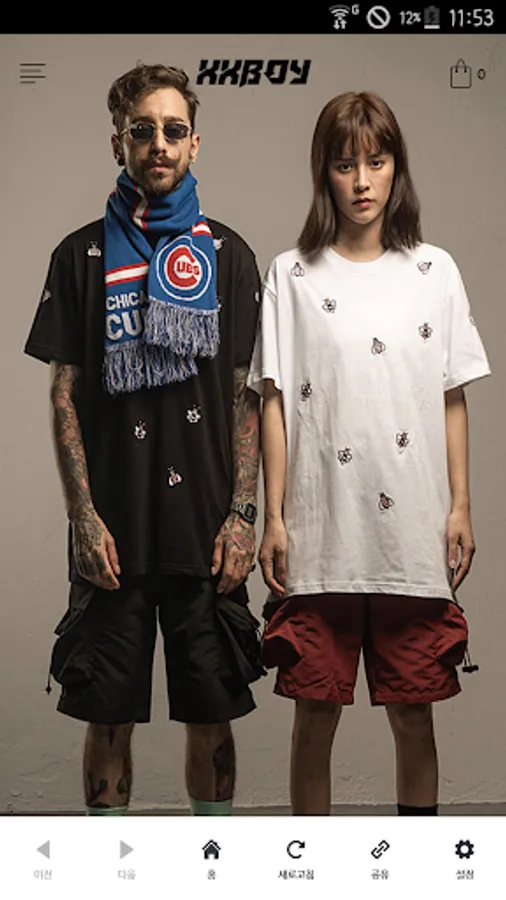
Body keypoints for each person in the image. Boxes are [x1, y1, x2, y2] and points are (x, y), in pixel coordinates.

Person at [24, 63, 263, 816]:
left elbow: (244, 397)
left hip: (205, 531)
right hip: (114, 533)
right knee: (107, 718)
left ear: (195, 144)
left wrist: (243, 515)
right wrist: (82, 518)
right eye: (142, 130)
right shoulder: (79, 256)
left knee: (212, 719)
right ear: (118, 143)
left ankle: (211, 864)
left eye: (173, 130)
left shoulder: (229, 258)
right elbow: (63, 394)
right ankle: (108, 868)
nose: (158, 144)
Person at [248, 91, 491, 816]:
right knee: (314, 715)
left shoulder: (434, 271)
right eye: (344, 164)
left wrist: (461, 506)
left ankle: (417, 864)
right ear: (322, 172)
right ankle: (309, 865)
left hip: (409, 535)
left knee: (414, 715)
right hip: (320, 535)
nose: (361, 181)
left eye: (376, 163)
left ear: (396, 169)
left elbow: (451, 394)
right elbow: (273, 401)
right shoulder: (290, 276)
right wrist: (274, 519)